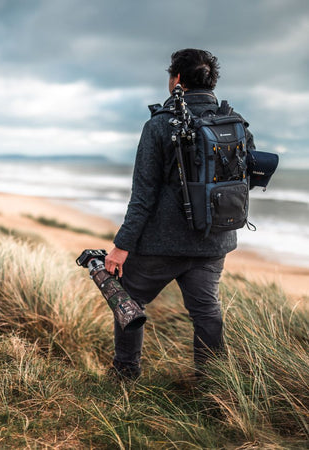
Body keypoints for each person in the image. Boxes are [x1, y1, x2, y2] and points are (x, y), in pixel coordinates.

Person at [104, 48, 255, 380]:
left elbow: (143, 195)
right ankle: (212, 384)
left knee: (129, 300)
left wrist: (121, 246)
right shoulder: (236, 123)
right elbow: (247, 179)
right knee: (207, 312)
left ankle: (125, 374)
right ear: (211, 81)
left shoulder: (160, 124)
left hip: (161, 243)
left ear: (177, 80)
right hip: (214, 240)